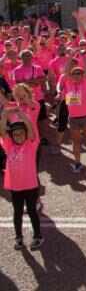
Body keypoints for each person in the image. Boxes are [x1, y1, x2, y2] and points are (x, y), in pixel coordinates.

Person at [1, 106, 42, 250]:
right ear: (11, 136)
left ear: (26, 134)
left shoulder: (31, 145)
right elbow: (2, 132)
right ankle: (19, 237)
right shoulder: (8, 146)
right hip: (15, 187)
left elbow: (31, 129)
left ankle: (38, 236)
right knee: (17, 212)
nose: (19, 136)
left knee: (32, 211)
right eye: (16, 134)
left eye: (21, 134)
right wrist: (5, 115)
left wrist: (22, 115)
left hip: (30, 185)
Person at [59, 59, 86, 172]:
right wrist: (71, 56)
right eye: (74, 73)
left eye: (79, 73)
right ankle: (77, 163)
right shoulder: (68, 83)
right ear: (70, 75)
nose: (77, 75)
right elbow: (66, 71)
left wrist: (83, 56)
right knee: (76, 141)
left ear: (83, 75)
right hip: (73, 118)